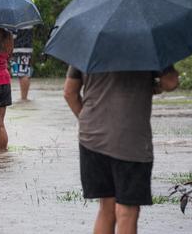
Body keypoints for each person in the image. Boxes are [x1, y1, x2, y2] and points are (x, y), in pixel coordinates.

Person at [63, 65, 179, 234]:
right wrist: (157, 85)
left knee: (106, 208)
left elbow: (69, 92)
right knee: (127, 212)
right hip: (131, 140)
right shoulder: (146, 46)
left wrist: (88, 121)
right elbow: (170, 82)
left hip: (91, 139)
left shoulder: (89, 45)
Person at [7, 0, 35, 100]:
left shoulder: (16, 4)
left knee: (22, 73)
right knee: (24, 72)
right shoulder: (28, 1)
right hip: (27, 45)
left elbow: (14, 28)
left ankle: (24, 99)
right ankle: (24, 98)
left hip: (19, 46)